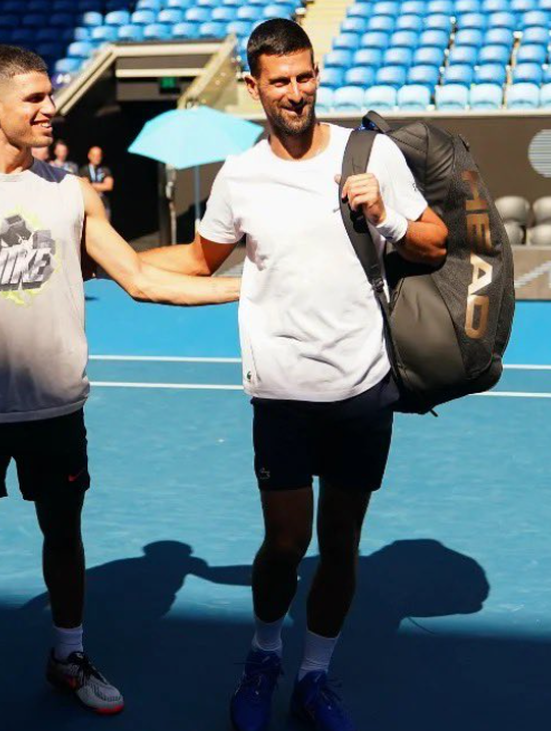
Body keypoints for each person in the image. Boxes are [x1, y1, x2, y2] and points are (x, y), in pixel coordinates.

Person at [0, 44, 240, 731]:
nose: (49, 108)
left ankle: (69, 655)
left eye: (49, 95)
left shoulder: (71, 189)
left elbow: (141, 277)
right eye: (33, 98)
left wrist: (248, 288)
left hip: (54, 410)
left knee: (63, 535)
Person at [138, 18, 448, 731]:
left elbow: (435, 243)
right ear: (253, 87)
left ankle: (315, 674)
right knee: (284, 543)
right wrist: (110, 262)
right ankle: (264, 652)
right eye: (280, 81)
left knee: (340, 544)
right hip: (279, 394)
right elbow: (198, 260)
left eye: (306, 77)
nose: (297, 92)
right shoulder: (239, 176)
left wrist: (387, 217)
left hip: (364, 386)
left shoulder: (368, 154)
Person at [83, 146, 113, 219]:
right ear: (89, 156)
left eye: (99, 155)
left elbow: (109, 186)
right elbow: (85, 186)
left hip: (104, 205)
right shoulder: (83, 170)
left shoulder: (105, 170)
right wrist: (101, 186)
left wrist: (92, 185)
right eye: (94, 155)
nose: (97, 157)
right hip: (89, 205)